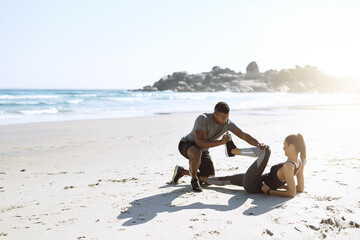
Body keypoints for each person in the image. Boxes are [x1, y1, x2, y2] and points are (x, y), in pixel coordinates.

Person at [171, 101, 267, 192]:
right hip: (187, 144)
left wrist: (258, 144)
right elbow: (199, 143)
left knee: (210, 177)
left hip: (203, 150)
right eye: (222, 118)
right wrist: (221, 142)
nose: (225, 121)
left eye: (227, 118)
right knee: (196, 152)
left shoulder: (227, 123)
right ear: (215, 114)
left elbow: (243, 135)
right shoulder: (203, 119)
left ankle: (182, 171)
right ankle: (194, 181)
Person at [204, 134, 306, 198]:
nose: (283, 148)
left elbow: (291, 193)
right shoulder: (300, 164)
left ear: (291, 146)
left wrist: (270, 192)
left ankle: (232, 151)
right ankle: (202, 179)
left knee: (266, 150)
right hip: (256, 179)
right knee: (228, 179)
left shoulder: (289, 166)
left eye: (284, 145)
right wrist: (283, 186)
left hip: (253, 185)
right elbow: (300, 188)